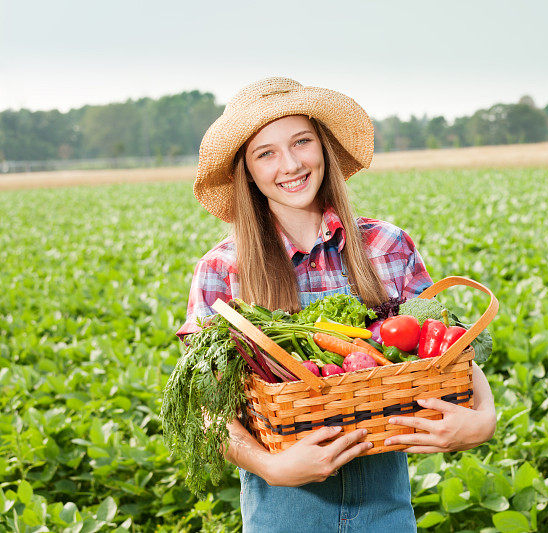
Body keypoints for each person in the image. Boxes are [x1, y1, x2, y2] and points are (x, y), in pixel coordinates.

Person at [175, 77, 497, 532]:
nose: (289, 164)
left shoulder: (385, 245)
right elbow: (205, 406)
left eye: (301, 141)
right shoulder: (224, 268)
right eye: (265, 153)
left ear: (323, 147)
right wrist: (272, 468)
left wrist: (484, 418)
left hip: (384, 511)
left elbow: (446, 346)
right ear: (246, 171)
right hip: (284, 511)